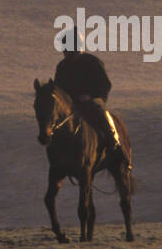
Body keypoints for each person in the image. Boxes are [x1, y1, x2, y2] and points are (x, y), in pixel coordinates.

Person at [54, 29, 130, 169]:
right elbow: (58, 89)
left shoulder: (93, 62)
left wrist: (92, 97)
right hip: (71, 105)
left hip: (92, 101)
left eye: (66, 47)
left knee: (102, 114)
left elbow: (105, 84)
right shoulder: (62, 66)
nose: (63, 51)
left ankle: (116, 148)